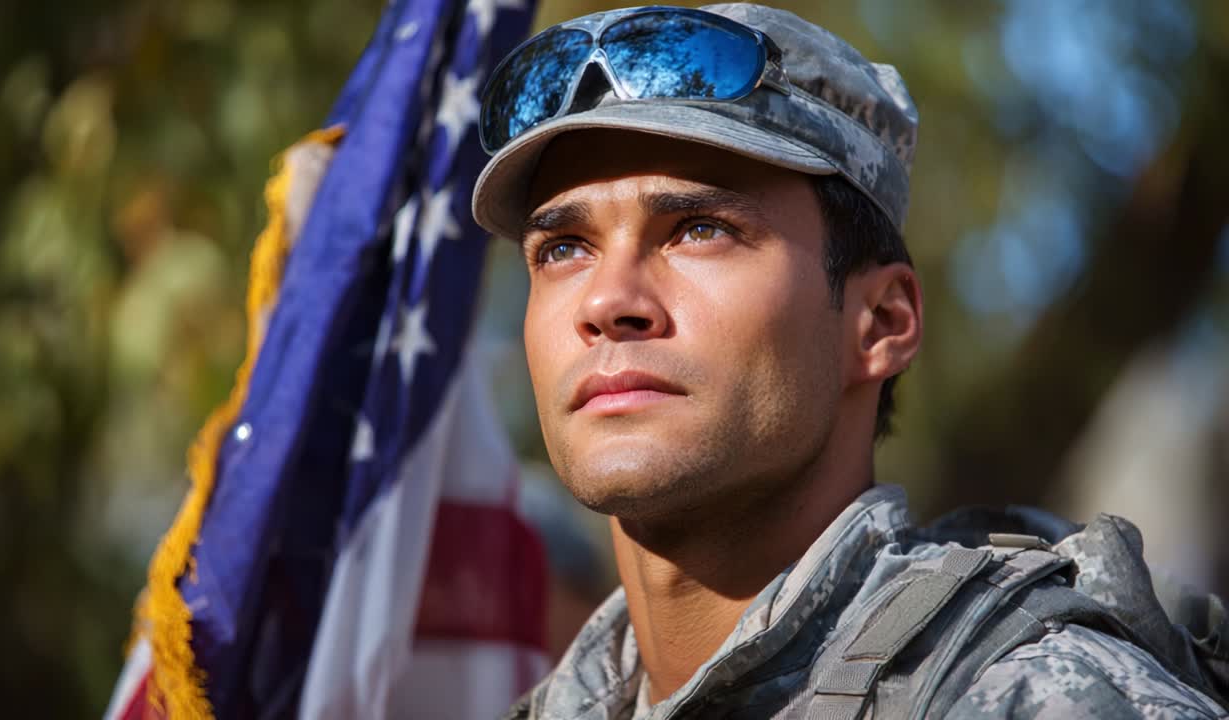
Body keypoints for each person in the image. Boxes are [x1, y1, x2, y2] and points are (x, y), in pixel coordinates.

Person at [470, 4, 1229, 718]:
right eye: (564, 249)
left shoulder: (1044, 697)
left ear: (881, 323)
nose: (607, 302)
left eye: (698, 229)